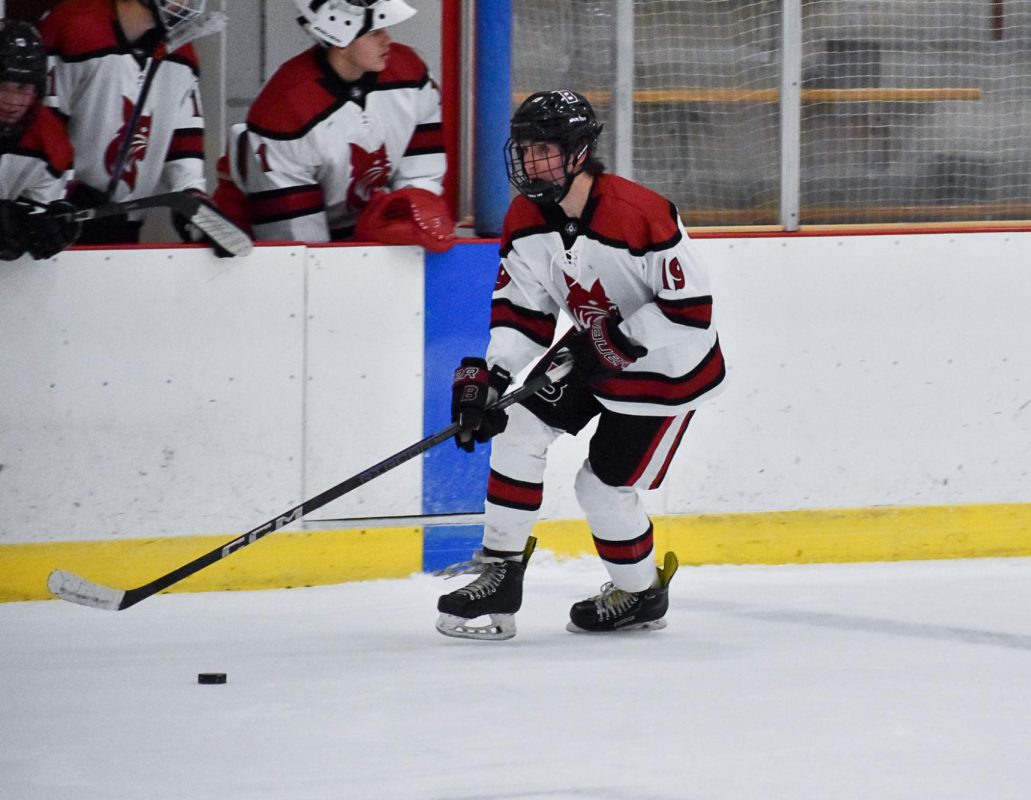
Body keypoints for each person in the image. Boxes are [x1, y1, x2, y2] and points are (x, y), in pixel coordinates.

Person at [436, 90, 727, 640]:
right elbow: (524, 307)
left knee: (600, 488)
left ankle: (641, 594)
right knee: (517, 424)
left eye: (543, 149)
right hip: (593, 350)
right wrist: (493, 376)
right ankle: (501, 571)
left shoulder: (642, 213)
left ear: (577, 153)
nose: (529, 162)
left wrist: (613, 342)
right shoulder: (526, 217)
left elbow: (690, 314)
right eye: (523, 149)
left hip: (667, 373)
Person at [228, 0, 453, 249]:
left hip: (361, 228)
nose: (387, 39)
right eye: (374, 31)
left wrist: (405, 214)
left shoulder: (409, 71)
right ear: (338, 36)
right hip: (251, 240)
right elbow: (296, 243)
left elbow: (422, 175)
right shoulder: (286, 107)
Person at [39, 0, 222, 245]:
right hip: (54, 227)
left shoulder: (182, 53)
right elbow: (41, 128)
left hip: (127, 228)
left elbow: (184, 136)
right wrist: (64, 194)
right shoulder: (72, 26)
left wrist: (190, 193)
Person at [0, 20, 80, 261]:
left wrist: (43, 228)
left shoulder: (51, 142)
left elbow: (33, 214)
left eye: (23, 87)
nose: (13, 101)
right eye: (3, 85)